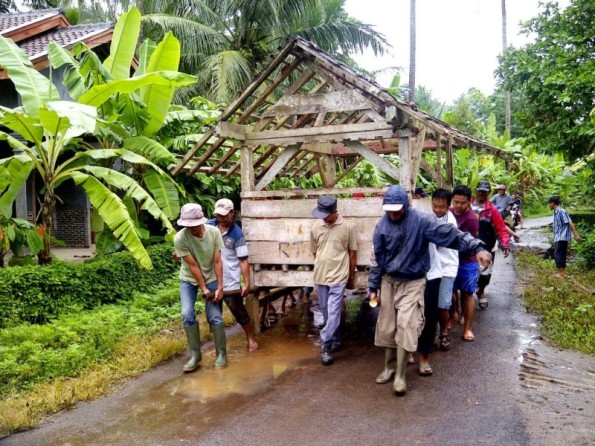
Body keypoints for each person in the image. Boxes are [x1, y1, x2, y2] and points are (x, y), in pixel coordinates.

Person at [370, 185, 491, 396]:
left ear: (406, 205)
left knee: (406, 324)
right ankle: (388, 367)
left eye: (397, 209)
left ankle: (400, 375)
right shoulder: (381, 226)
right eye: (389, 209)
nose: (393, 214)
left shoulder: (422, 221)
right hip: (389, 281)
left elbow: (452, 235)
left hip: (414, 280)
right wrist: (373, 287)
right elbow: (378, 260)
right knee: (387, 326)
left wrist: (477, 247)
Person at [174, 203, 227, 372]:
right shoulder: (180, 238)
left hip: (211, 276)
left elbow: (218, 261)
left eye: (195, 225)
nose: (192, 229)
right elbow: (193, 266)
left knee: (215, 316)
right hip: (189, 279)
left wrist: (219, 286)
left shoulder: (214, 232)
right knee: (187, 313)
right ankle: (196, 355)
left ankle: (221, 354)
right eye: (188, 226)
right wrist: (203, 288)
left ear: (201, 221)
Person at [310, 195, 357, 366]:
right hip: (321, 276)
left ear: (334, 212)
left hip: (339, 276)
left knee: (334, 312)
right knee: (326, 312)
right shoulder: (316, 227)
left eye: (325, 214)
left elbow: (353, 253)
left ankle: (326, 345)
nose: (322, 217)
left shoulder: (347, 227)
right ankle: (335, 339)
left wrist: (351, 277)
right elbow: (315, 252)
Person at [207, 198, 258, 352]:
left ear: (233, 213)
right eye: (219, 216)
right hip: (212, 278)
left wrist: (246, 282)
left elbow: (243, 260)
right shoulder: (209, 226)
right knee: (213, 314)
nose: (221, 219)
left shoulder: (237, 234)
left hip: (230, 280)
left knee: (238, 311)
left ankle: (250, 337)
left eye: (224, 215)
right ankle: (219, 346)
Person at [472, 181, 511, 310]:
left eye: (484, 191)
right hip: (468, 246)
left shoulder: (492, 210)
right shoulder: (467, 205)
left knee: (485, 273)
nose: (481, 193)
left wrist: (505, 244)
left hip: (486, 246)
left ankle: (481, 291)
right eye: (480, 191)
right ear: (476, 191)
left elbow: (501, 228)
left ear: (488, 193)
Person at [432, 188, 459, 352]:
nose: (437, 210)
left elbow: (437, 241)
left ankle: (443, 333)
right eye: (434, 206)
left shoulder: (450, 222)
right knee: (431, 303)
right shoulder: (431, 217)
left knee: (442, 304)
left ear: (449, 206)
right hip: (432, 267)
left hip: (447, 267)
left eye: (441, 207)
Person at [548, 196, 581, 278]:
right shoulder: (556, 212)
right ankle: (562, 273)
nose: (549, 205)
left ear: (553, 203)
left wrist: (575, 235)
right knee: (561, 254)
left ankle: (561, 274)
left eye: (549, 203)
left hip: (562, 236)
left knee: (557, 254)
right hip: (559, 236)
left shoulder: (561, 211)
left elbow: (569, 223)